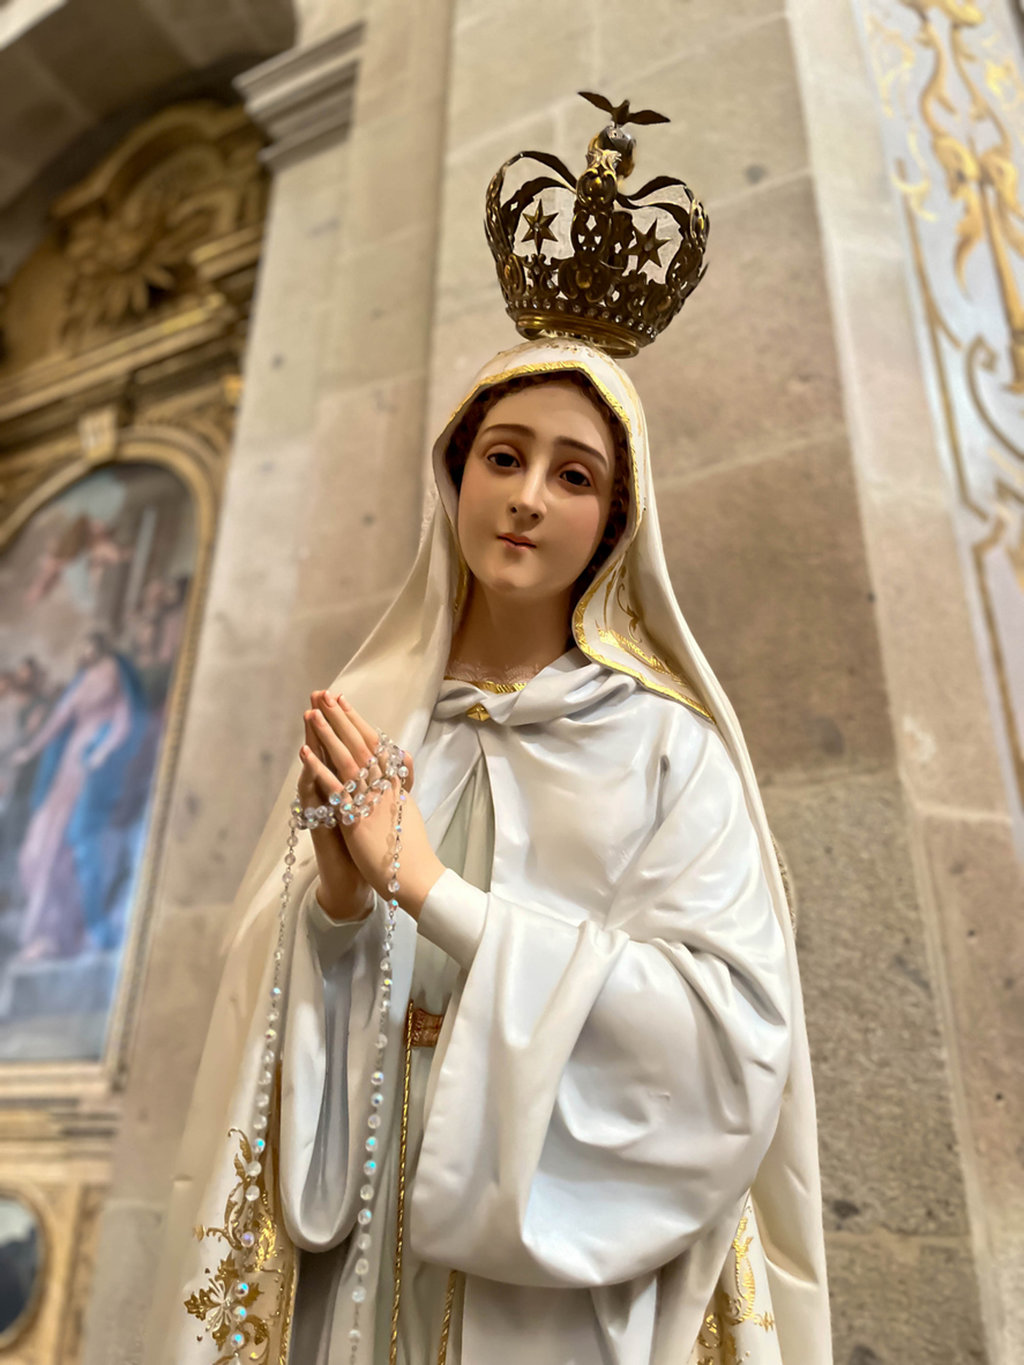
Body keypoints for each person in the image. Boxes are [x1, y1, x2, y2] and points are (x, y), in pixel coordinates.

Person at [151, 98, 831, 1365]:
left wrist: (435, 891)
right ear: (454, 474)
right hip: (360, 1248)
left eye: (573, 475)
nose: (525, 497)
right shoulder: (379, 714)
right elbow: (278, 1030)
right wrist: (342, 912)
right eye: (502, 456)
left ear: (616, 519)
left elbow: (730, 1044)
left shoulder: (667, 747)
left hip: (552, 1284)